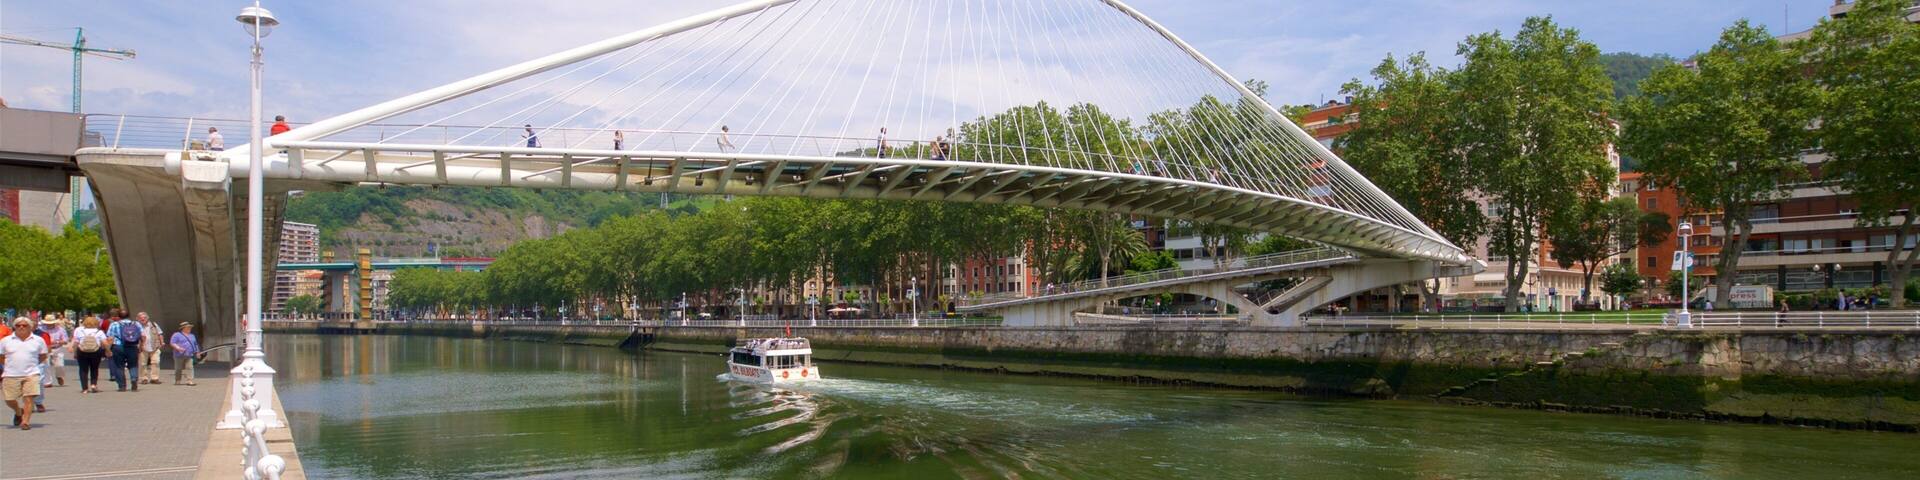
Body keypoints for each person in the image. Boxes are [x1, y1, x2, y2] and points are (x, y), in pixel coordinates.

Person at [3, 317, 49, 430]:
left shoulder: (38, 340)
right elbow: (1, 356)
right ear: (14, 327)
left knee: (28, 398)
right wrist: (10, 365)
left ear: (30, 327)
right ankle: (19, 412)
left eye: (24, 325)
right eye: (18, 325)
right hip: (10, 373)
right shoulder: (6, 341)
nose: (21, 327)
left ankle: (25, 421)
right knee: (9, 399)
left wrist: (33, 365)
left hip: (31, 373)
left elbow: (43, 355)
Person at [105, 313, 144, 392]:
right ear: (129, 315)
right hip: (132, 346)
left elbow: (110, 338)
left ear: (119, 316)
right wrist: (141, 346)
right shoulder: (136, 324)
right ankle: (133, 379)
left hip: (118, 347)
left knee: (119, 366)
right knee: (133, 365)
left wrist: (108, 350)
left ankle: (122, 386)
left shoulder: (114, 324)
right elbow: (143, 336)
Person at [71, 316, 107, 393]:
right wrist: (108, 351)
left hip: (82, 351)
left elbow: (76, 343)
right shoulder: (99, 332)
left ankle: (84, 388)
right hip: (96, 351)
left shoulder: (80, 331)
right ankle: (93, 384)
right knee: (94, 368)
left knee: (83, 369)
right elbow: (105, 343)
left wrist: (75, 353)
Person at [37, 316, 68, 387]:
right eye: (47, 323)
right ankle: (48, 382)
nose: (49, 324)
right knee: (46, 365)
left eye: (50, 323)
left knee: (59, 365)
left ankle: (59, 376)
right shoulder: (41, 329)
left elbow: (65, 340)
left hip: (57, 348)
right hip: (45, 349)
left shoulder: (60, 330)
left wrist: (57, 341)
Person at [136, 313, 163, 385]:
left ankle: (155, 378)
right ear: (137, 319)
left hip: (154, 346)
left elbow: (160, 334)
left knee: (156, 362)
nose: (143, 319)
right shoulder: (136, 326)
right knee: (142, 363)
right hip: (142, 347)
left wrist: (162, 342)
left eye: (144, 317)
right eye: (141, 318)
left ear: (148, 318)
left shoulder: (154, 325)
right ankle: (144, 378)